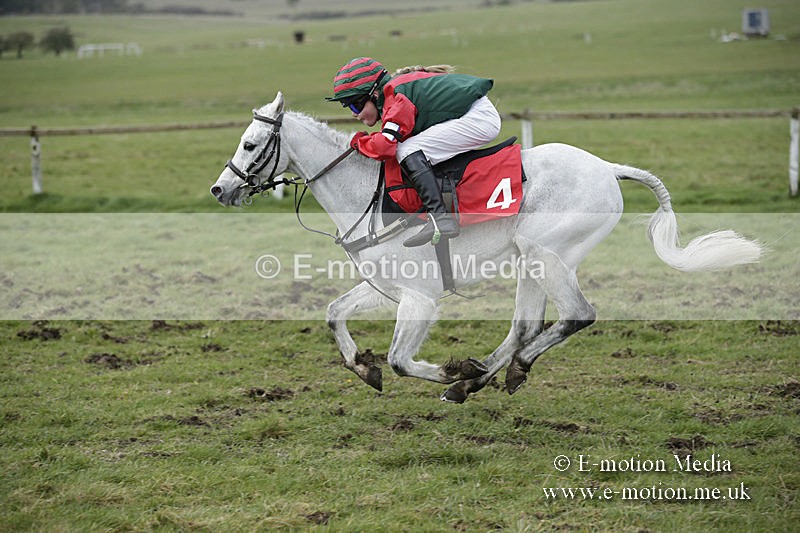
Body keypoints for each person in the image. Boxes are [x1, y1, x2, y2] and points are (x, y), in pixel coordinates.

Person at [326, 57, 501, 247]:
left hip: (479, 119)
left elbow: (385, 146)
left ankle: (440, 218)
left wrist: (357, 142)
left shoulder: (395, 98)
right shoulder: (392, 93)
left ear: (374, 95)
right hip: (474, 114)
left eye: (355, 105)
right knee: (409, 147)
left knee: (408, 149)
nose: (354, 113)